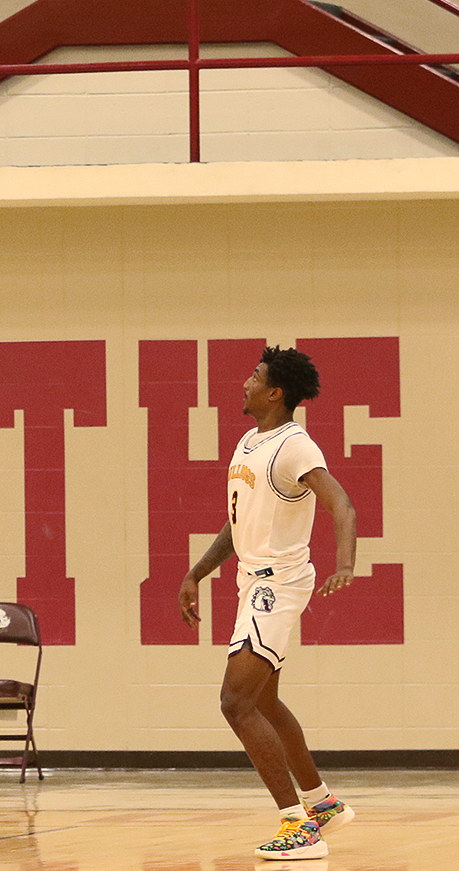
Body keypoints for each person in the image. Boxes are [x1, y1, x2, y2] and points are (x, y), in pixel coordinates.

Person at [179, 346, 357, 861]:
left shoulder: (294, 446)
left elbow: (341, 503)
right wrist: (196, 573)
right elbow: (237, 524)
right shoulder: (249, 441)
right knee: (262, 702)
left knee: (234, 702)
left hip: (275, 584)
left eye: (254, 376)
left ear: (276, 392)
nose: (244, 383)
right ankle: (321, 804)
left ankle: (297, 826)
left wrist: (344, 564)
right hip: (250, 582)